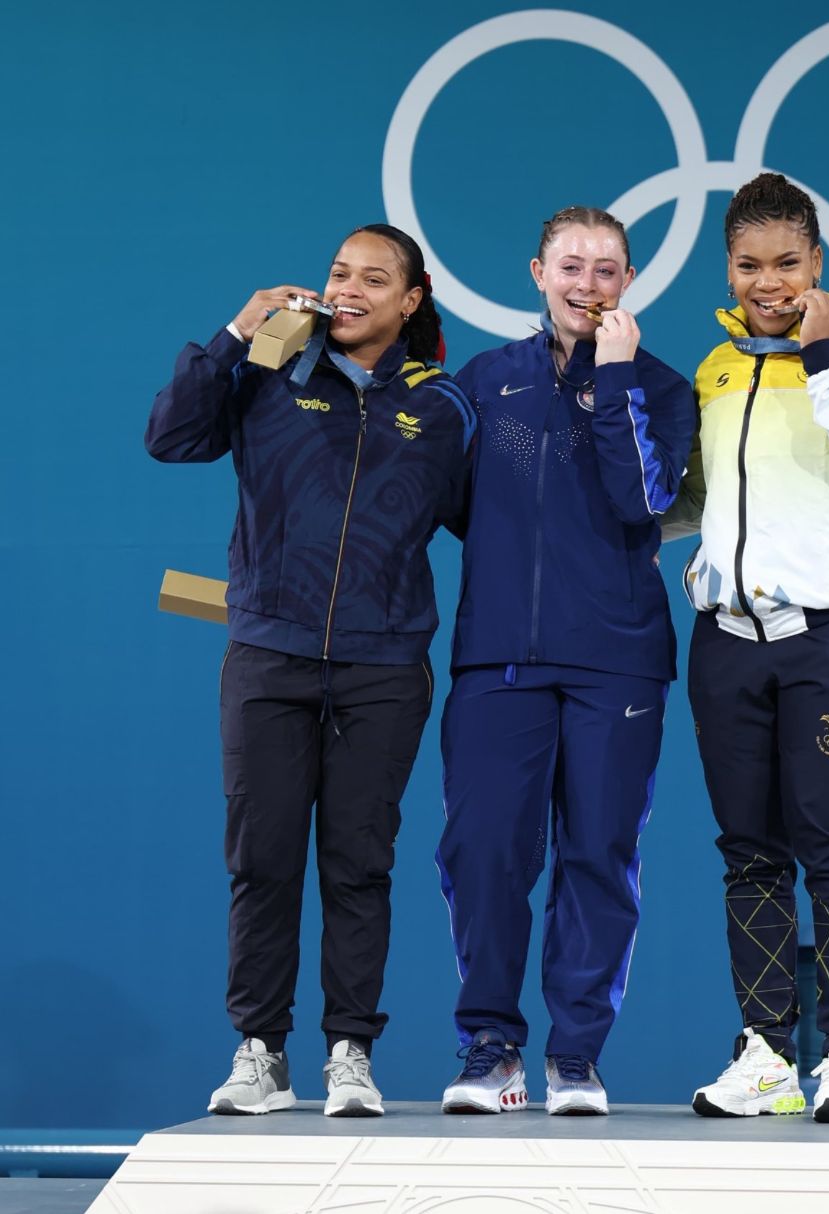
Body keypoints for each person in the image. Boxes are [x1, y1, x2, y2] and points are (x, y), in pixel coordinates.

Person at [145, 224, 475, 1117]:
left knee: (358, 865)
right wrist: (231, 333)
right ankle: (260, 1051)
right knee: (263, 860)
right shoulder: (266, 371)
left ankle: (350, 1053)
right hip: (268, 657)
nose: (351, 289)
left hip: (383, 668)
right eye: (340, 273)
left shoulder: (441, 406)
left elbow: (498, 526)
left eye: (376, 278)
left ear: (410, 301)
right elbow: (169, 439)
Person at [662, 173, 829, 1123]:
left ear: (818, 264)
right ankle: (767, 1053)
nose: (767, 281)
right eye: (748, 264)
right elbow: (691, 505)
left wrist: (821, 358)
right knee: (747, 854)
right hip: (725, 645)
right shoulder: (714, 370)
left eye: (786, 262)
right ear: (726, 267)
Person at [436, 206, 695, 1115]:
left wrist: (615, 377)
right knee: (482, 853)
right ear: (537, 272)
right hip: (498, 658)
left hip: (616, 661)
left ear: (628, 282)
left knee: (598, 854)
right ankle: (491, 1051)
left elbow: (640, 502)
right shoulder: (484, 381)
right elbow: (455, 505)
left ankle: (575, 1058)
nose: (588, 284)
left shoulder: (659, 386)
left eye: (608, 270)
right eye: (571, 266)